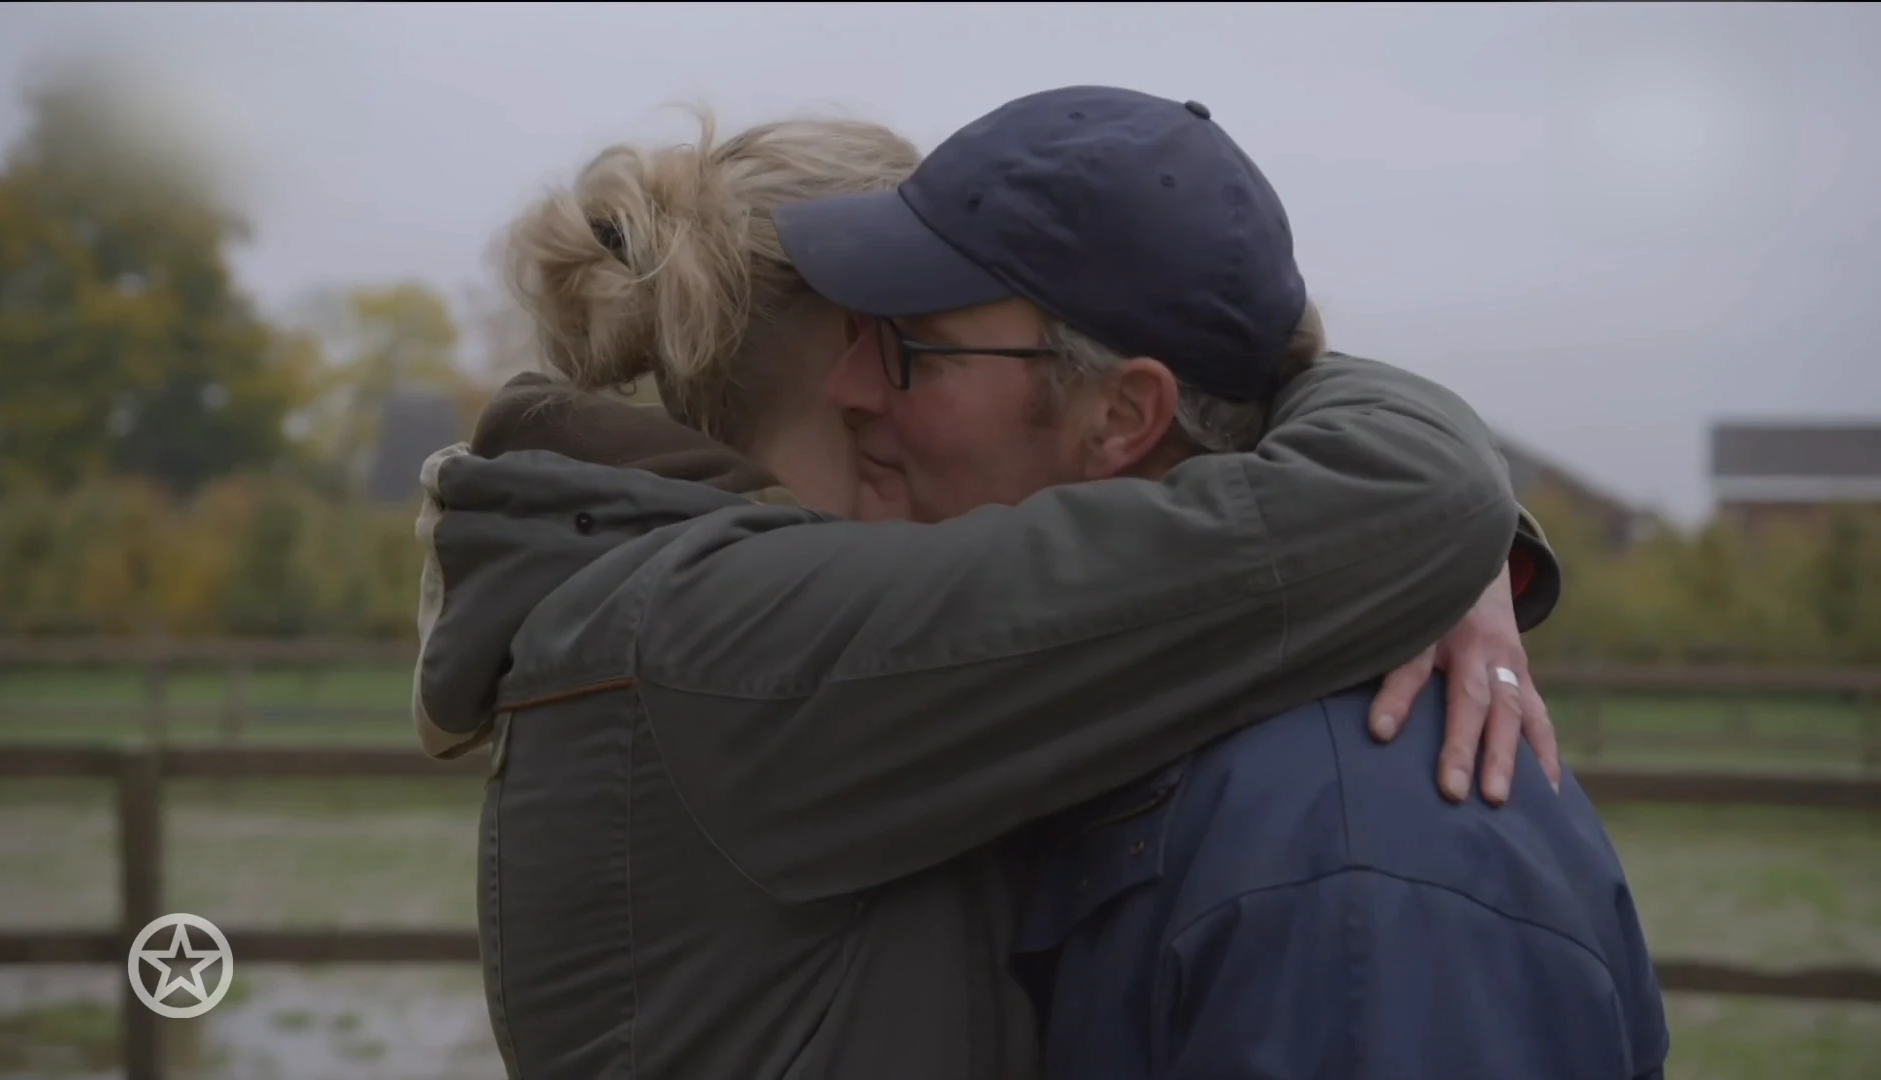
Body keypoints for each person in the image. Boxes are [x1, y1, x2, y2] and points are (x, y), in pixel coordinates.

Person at [413, 109, 1560, 1080]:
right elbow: (1403, 500)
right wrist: (1378, 478)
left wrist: (1416, 535)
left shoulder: (658, 596)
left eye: (916, 340)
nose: (875, 383)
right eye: (897, 333)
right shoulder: (741, 636)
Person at [770, 86, 1668, 1079]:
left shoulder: (1350, 861)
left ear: (1122, 416)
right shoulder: (1105, 722)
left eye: (909, 349)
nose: (847, 389)